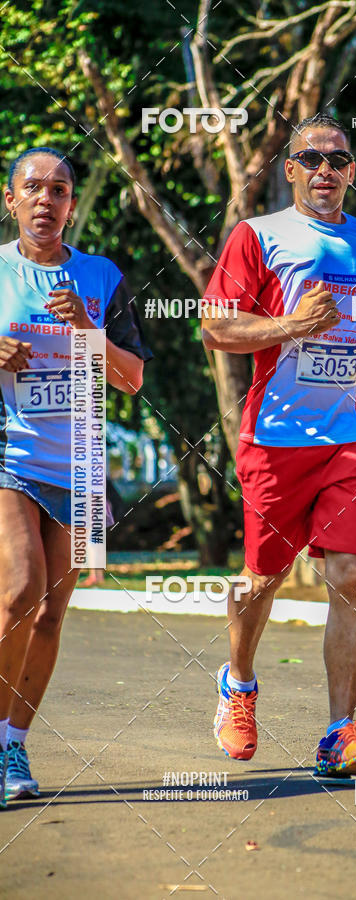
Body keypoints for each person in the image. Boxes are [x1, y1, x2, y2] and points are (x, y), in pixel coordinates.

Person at [202, 113, 356, 777]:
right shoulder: (257, 235)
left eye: (338, 160)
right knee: (263, 579)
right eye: (312, 158)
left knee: (347, 575)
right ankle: (238, 682)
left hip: (350, 434)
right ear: (290, 169)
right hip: (275, 437)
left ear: (351, 172)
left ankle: (339, 733)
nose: (326, 170)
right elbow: (216, 327)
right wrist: (290, 323)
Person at [0, 147, 152, 806]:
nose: (46, 199)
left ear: (71, 204)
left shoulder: (102, 276)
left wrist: (90, 330)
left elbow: (132, 379)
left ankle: (13, 742)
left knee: (52, 616)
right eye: (32, 187)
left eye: (59, 189)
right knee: (21, 589)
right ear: (10, 200)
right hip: (10, 460)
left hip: (82, 468)